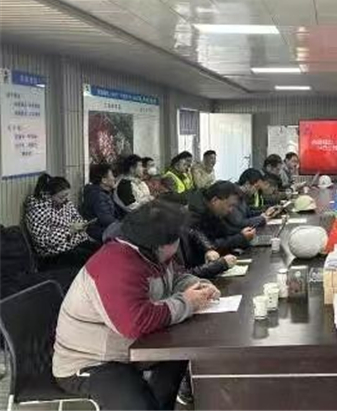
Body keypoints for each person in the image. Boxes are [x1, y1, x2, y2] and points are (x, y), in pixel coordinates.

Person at [53, 201, 220, 410]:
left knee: (177, 358)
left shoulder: (152, 251)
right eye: (178, 237)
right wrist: (187, 302)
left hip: (130, 349)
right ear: (161, 244)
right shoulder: (115, 266)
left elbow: (176, 277)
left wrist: (197, 286)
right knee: (138, 400)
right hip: (89, 361)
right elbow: (135, 323)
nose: (180, 241)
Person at [24, 174, 100, 271]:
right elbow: (42, 240)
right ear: (49, 195)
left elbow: (76, 216)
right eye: (61, 197)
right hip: (54, 254)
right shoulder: (37, 211)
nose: (65, 200)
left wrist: (82, 224)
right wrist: (69, 231)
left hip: (75, 242)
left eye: (66, 196)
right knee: (91, 259)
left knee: (101, 250)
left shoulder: (65, 203)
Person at [188, 181, 257, 253]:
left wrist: (242, 234)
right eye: (230, 205)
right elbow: (209, 245)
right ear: (215, 200)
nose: (231, 210)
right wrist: (240, 238)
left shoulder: (213, 213)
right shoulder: (194, 218)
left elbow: (223, 234)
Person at [81, 163, 118, 241]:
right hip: (99, 231)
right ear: (104, 180)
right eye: (112, 176)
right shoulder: (97, 195)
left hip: (105, 228)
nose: (114, 178)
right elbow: (105, 218)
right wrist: (123, 225)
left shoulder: (104, 193)